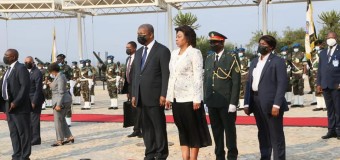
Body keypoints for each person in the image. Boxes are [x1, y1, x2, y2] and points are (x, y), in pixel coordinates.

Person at [166, 25, 212, 160]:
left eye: (179, 36)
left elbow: (198, 76)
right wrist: (169, 96)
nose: (177, 39)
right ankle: (184, 157)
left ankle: (193, 158)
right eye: (176, 36)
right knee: (182, 129)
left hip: (190, 98)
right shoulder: (174, 53)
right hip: (176, 98)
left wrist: (197, 98)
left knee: (193, 130)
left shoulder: (194, 53)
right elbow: (171, 76)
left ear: (188, 38)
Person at [244, 35, 289, 160]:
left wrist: (277, 105)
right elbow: (249, 83)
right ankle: (265, 156)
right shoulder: (254, 61)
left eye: (264, 44)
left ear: (271, 47)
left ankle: (279, 158)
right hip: (256, 101)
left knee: (276, 134)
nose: (261, 46)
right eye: (260, 43)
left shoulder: (277, 61)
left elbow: (282, 84)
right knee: (262, 132)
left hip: (271, 103)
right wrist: (247, 103)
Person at [131, 24, 170, 160]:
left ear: (151, 34)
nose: (139, 36)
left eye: (142, 33)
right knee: (146, 127)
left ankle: (161, 153)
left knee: (158, 126)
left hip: (155, 96)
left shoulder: (162, 50)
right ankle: (150, 152)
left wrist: (164, 94)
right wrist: (134, 94)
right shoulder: (138, 52)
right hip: (141, 96)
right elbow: (136, 75)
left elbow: (166, 74)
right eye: (138, 33)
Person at [204, 31, 240, 160]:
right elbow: (206, 80)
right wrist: (206, 99)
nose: (212, 45)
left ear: (222, 42)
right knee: (216, 131)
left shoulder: (231, 57)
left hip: (226, 102)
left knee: (229, 131)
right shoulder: (208, 58)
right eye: (211, 42)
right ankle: (219, 155)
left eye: (215, 42)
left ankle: (232, 155)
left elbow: (236, 82)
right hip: (213, 101)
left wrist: (233, 103)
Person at [1, 49, 31, 160]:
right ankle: (16, 155)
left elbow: (24, 87)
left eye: (6, 55)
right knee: (14, 133)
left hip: (19, 107)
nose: (4, 57)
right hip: (8, 105)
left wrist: (16, 102)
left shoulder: (21, 68)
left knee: (23, 133)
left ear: (13, 57)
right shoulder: (8, 69)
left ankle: (25, 156)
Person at [317, 32, 340, 140]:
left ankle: (338, 130)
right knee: (329, 109)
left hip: (337, 85)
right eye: (328, 37)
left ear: (336, 38)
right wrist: (318, 83)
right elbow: (320, 70)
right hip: (325, 84)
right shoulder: (322, 53)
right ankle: (331, 130)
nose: (330, 39)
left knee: (338, 108)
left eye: (332, 37)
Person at [48, 62, 75, 146]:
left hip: (61, 101)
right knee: (62, 119)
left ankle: (59, 140)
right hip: (64, 100)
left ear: (53, 71)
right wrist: (50, 84)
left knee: (58, 121)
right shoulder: (59, 76)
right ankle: (69, 136)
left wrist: (58, 105)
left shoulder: (60, 77)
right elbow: (56, 87)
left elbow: (61, 92)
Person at [123, 41, 142, 138]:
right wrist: (127, 90)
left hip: (137, 86)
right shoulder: (128, 59)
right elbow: (127, 74)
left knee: (139, 108)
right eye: (126, 47)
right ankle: (136, 129)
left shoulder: (139, 57)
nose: (127, 49)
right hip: (130, 87)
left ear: (134, 48)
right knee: (134, 109)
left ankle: (140, 129)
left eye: (129, 47)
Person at [24, 56, 45, 146]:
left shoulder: (37, 73)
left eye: (28, 62)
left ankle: (36, 139)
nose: (26, 64)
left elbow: (38, 89)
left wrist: (34, 102)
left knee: (34, 119)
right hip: (26, 99)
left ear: (33, 62)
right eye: (25, 62)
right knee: (28, 120)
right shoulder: (25, 71)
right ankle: (31, 137)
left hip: (35, 99)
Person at [311, 40, 327, 111]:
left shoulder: (325, 52)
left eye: (319, 44)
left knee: (323, 87)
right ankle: (319, 105)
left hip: (323, 71)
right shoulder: (313, 53)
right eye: (316, 45)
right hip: (314, 72)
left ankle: (325, 105)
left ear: (322, 45)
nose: (318, 46)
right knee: (316, 87)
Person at [290, 43, 307, 107]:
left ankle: (301, 103)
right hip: (294, 74)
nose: (295, 49)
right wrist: (291, 75)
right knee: (294, 88)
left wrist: (304, 73)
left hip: (300, 73)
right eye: (294, 48)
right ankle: (296, 102)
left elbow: (304, 65)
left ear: (298, 48)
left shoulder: (302, 54)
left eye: (296, 47)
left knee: (300, 88)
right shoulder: (291, 54)